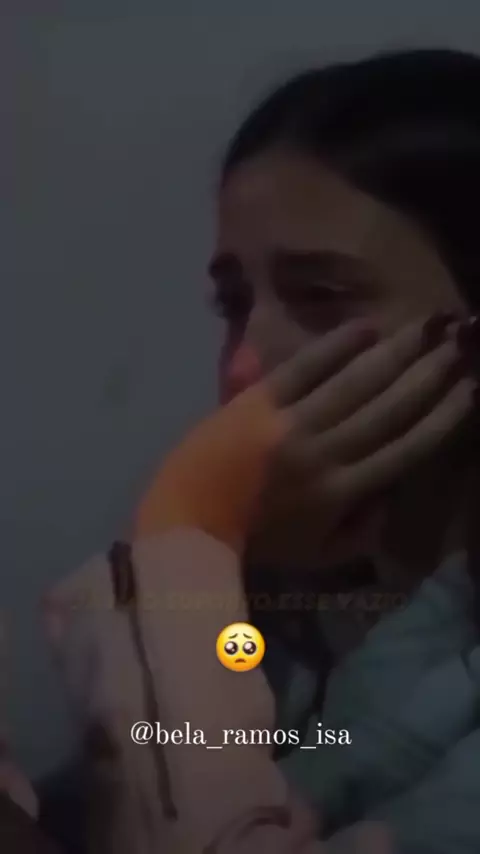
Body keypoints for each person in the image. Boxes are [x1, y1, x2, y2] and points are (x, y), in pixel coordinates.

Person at [41, 48, 480, 853]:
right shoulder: (283, 596)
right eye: (234, 302)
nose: (243, 365)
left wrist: (185, 528)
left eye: (322, 295)